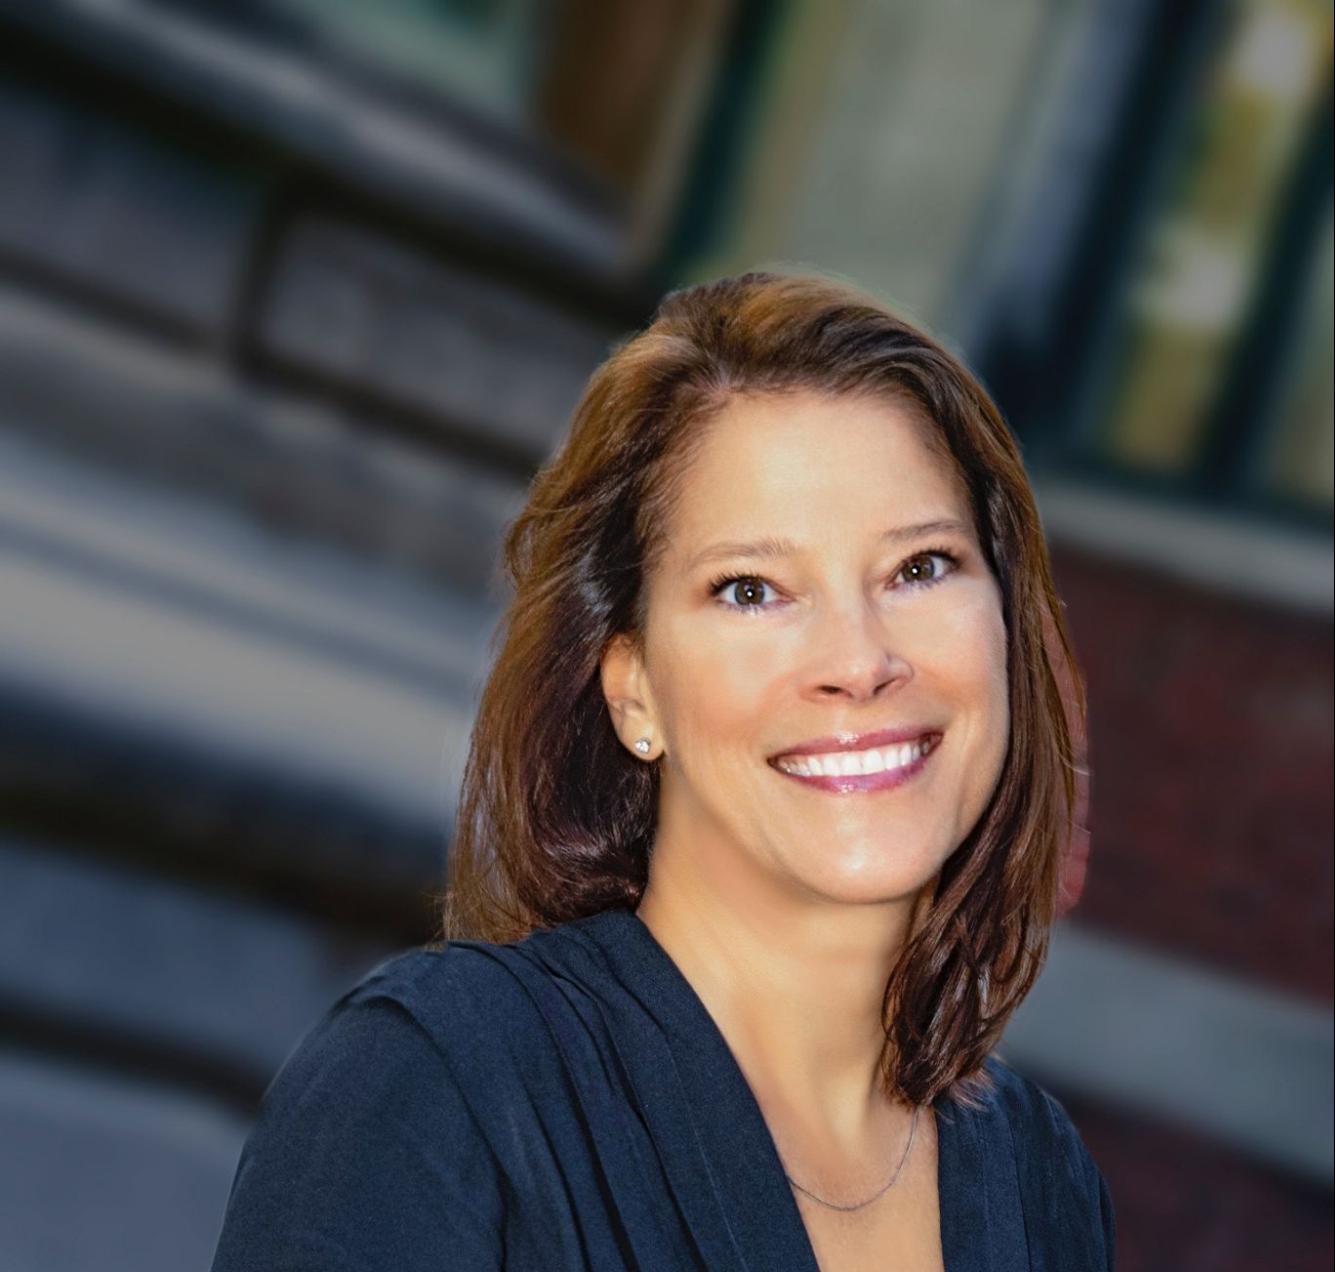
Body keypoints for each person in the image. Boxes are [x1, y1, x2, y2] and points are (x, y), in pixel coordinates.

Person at [211, 270, 1113, 1271]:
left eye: (920, 567)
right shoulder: (441, 1085)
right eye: (752, 590)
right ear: (632, 690)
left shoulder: (1042, 1180)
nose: (860, 662)